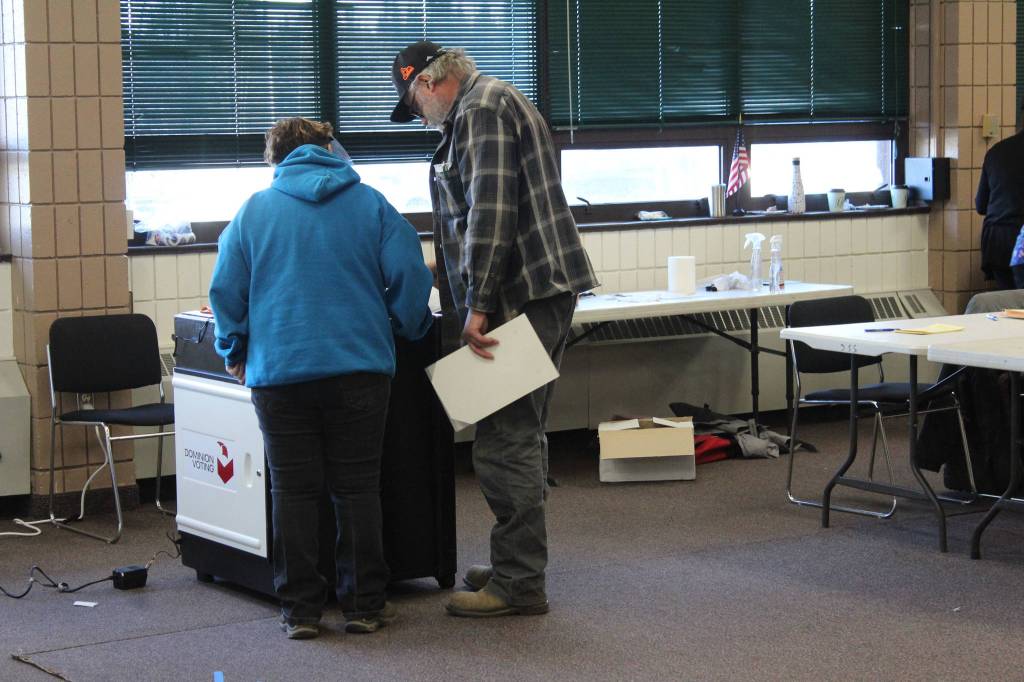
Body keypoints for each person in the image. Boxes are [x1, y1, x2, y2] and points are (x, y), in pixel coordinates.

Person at [389, 41, 599, 617]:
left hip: (516, 297)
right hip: (530, 292)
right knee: (517, 433)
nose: (419, 117)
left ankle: (519, 584)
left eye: (413, 104)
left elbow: (491, 212)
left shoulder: (480, 110)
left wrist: (476, 306)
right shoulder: (493, 101)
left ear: (428, 85)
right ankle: (515, 561)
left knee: (504, 441)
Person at [208, 117, 434, 639]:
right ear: (330, 149)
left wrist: (234, 348)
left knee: (292, 491)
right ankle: (364, 605)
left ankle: (301, 611)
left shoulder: (253, 212)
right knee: (356, 490)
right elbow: (410, 274)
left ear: (277, 158)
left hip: (280, 373)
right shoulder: (371, 203)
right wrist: (407, 325)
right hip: (359, 369)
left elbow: (226, 291)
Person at [975, 101, 1024, 289]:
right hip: (1019, 242)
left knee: (1008, 308)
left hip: (997, 242)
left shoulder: (996, 152)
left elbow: (981, 205)